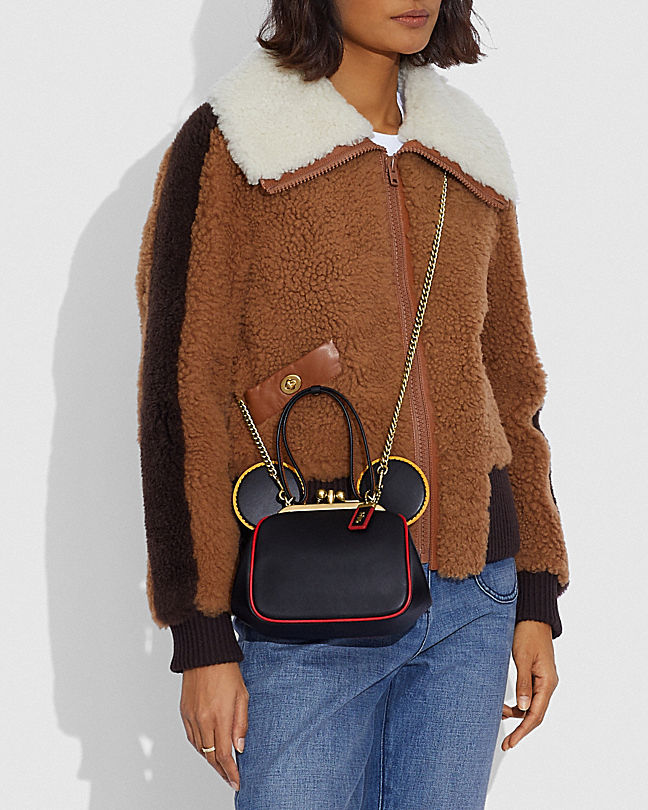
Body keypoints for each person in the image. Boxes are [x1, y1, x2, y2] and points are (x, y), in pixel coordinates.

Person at [135, 1, 570, 807]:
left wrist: (537, 590)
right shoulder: (237, 144)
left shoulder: (467, 151)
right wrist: (201, 636)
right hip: (310, 597)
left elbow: (512, 380)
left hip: (475, 595)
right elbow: (179, 397)